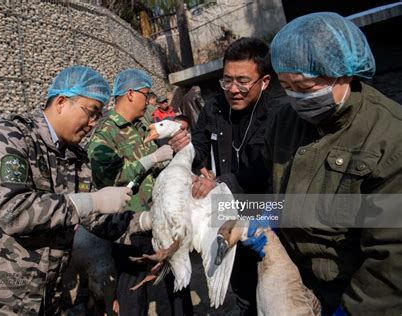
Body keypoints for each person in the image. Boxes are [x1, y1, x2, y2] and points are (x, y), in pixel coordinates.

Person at [0, 66, 132, 315]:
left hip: (39, 299)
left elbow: (91, 217)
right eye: (91, 112)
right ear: (61, 102)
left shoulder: (76, 157)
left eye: (99, 116)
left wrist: (146, 222)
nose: (93, 123)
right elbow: (14, 211)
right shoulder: (9, 137)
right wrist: (91, 201)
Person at [264, 12, 402, 314]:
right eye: (286, 86)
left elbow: (392, 255)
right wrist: (261, 216)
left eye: (305, 87)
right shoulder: (284, 122)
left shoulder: (389, 137)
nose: (295, 98)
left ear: (345, 74)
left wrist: (353, 310)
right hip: (300, 282)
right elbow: (272, 187)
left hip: (354, 292)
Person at [87, 68, 193, 316]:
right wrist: (152, 159)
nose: (148, 102)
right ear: (131, 94)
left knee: (178, 279)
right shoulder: (106, 132)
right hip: (130, 224)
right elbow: (107, 177)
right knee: (133, 289)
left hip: (160, 218)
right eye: (145, 95)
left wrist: (172, 155)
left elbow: (158, 168)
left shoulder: (143, 126)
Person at [190, 37, 277, 315]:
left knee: (272, 293)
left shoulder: (278, 116)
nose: (234, 90)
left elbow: (267, 168)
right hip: (226, 217)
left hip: (265, 217)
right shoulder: (214, 108)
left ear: (264, 81)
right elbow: (198, 144)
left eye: (243, 81)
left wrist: (222, 183)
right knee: (240, 290)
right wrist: (192, 164)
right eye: (227, 81)